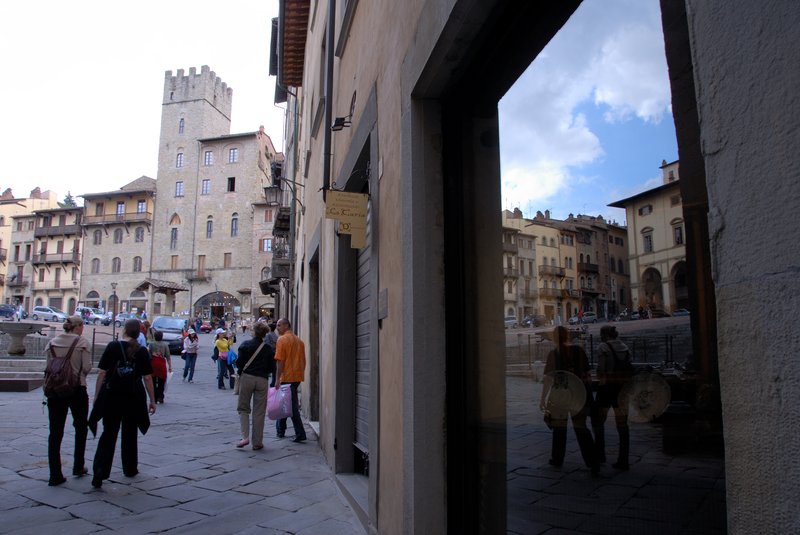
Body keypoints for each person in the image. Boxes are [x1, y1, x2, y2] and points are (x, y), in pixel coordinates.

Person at [90, 319, 156, 488]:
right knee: (130, 433)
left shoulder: (113, 346)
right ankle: (130, 467)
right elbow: (147, 377)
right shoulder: (141, 351)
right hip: (133, 396)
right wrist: (152, 400)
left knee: (109, 433)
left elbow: (102, 373)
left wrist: (97, 395)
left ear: (125, 330)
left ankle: (100, 470)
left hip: (112, 395)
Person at [539, 325, 597, 473]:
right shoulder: (579, 351)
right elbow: (587, 376)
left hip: (560, 397)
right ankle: (592, 461)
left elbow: (548, 379)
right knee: (581, 428)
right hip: (578, 394)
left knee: (559, 429)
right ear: (567, 336)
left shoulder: (554, 354)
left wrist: (542, 398)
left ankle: (557, 459)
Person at [44, 315, 92, 486]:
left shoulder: (52, 343)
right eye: (82, 326)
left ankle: (55, 474)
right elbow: (87, 367)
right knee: (80, 427)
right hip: (77, 388)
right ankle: (78, 465)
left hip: (55, 391)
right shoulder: (82, 343)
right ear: (77, 327)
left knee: (55, 432)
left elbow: (49, 367)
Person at [593, 325, 633, 470]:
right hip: (622, 389)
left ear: (604, 335)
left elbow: (601, 369)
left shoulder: (603, 347)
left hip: (607, 388)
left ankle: (600, 455)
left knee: (598, 421)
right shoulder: (625, 347)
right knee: (622, 425)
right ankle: (623, 459)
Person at [234, 322, 275, 450]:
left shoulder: (245, 345)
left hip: (247, 378)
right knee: (259, 411)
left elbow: (239, 363)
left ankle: (245, 437)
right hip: (262, 379)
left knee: (243, 408)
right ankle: (257, 442)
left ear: (253, 332)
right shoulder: (268, 348)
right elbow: (272, 367)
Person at [273, 318, 307, 442]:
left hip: (287, 376)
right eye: (277, 325)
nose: (277, 327)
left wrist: (277, 378)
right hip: (297, 376)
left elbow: (280, 361)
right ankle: (280, 431)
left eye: (279, 325)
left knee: (291, 407)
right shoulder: (299, 341)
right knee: (284, 404)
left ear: (287, 325)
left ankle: (300, 433)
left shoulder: (282, 340)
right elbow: (303, 360)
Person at [147, 330, 172, 404]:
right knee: (162, 381)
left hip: (153, 363)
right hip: (161, 364)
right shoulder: (165, 345)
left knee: (153, 381)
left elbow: (149, 355)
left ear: (154, 336)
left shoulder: (151, 344)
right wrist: (170, 366)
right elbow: (168, 356)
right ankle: (160, 396)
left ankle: (154, 397)